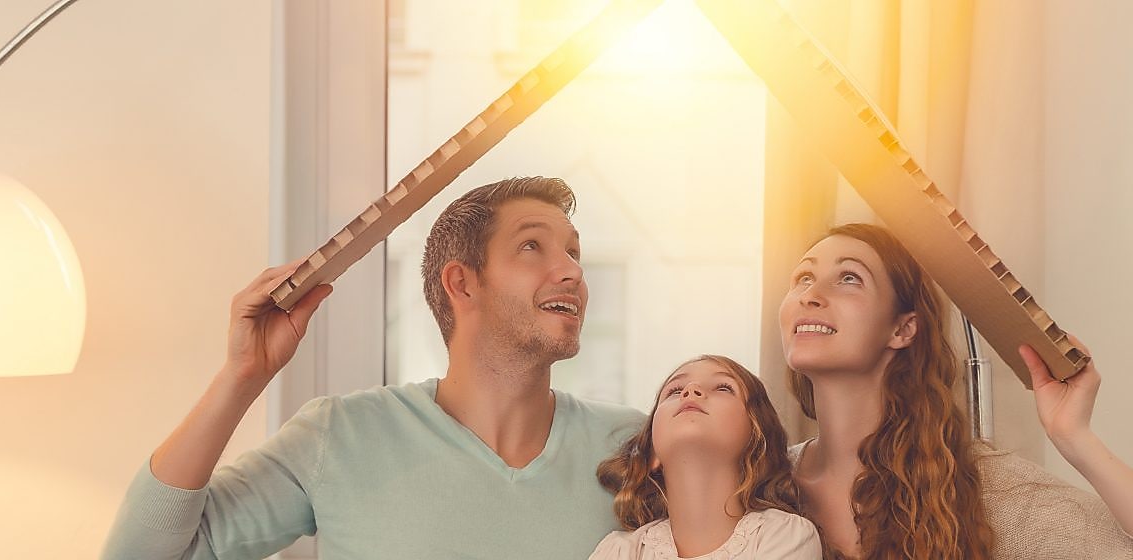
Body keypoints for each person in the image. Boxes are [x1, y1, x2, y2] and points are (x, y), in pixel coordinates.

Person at [101, 177, 645, 559]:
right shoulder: (340, 436)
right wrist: (242, 375)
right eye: (533, 246)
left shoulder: (633, 443)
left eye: (574, 252)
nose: (571, 271)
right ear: (462, 283)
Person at [780, 222, 1133, 559]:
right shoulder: (766, 481)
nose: (810, 295)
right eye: (803, 278)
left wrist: (1075, 436)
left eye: (848, 278)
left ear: (903, 329)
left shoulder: (975, 484)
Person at [589, 355, 821, 559]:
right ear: (652, 454)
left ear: (758, 441)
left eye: (723, 387)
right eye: (675, 391)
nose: (691, 390)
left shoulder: (785, 535)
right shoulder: (619, 551)